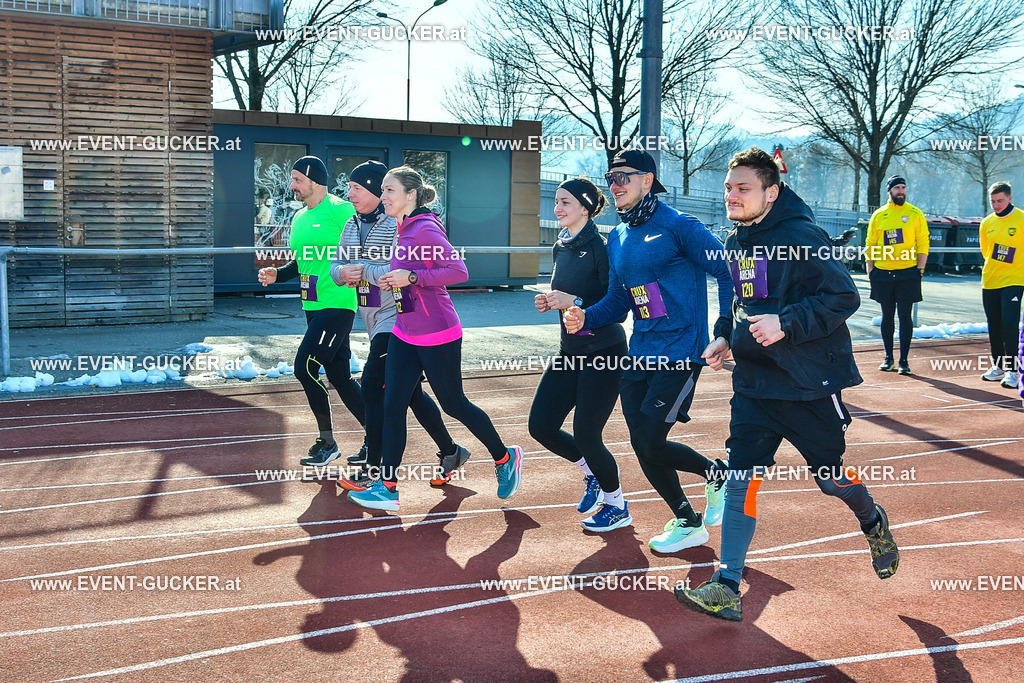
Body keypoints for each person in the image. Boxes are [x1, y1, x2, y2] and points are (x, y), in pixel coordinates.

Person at [675, 147, 899, 622]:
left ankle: (871, 518)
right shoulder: (737, 241)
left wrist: (787, 323)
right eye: (729, 188)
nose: (732, 196)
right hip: (755, 385)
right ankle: (728, 585)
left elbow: (844, 296)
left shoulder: (802, 235)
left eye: (743, 188)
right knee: (740, 482)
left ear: (771, 192)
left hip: (806, 385)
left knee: (829, 479)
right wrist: (725, 338)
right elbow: (743, 298)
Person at [563, 149, 731, 553]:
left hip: (680, 351)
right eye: (611, 177)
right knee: (642, 443)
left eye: (624, 176)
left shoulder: (679, 225)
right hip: (640, 352)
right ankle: (689, 521)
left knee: (653, 441)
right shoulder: (619, 236)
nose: (615, 184)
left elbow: (727, 271)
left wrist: (724, 330)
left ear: (648, 180)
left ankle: (717, 473)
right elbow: (619, 300)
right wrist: (585, 316)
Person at [346, 166, 523, 511]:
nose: (383, 197)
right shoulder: (401, 227)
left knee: (453, 404)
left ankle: (504, 458)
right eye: (382, 191)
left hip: (438, 332)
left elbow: (458, 271)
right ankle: (388, 487)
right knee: (392, 404)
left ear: (410, 194)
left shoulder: (424, 228)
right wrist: (396, 279)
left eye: (389, 190)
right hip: (403, 331)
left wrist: (411, 276)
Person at [330, 160, 470, 490]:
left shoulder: (398, 224)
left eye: (358, 188)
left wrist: (363, 271)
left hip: (398, 319)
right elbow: (337, 264)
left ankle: (375, 466)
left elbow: (397, 274)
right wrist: (342, 274)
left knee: (374, 385)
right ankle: (450, 451)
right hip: (370, 315)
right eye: (350, 188)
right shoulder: (351, 226)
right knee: (409, 396)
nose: (351, 194)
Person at [529, 177, 630, 532]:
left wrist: (576, 302)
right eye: (556, 202)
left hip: (605, 352)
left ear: (585, 208)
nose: (557, 208)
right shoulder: (561, 246)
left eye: (565, 202)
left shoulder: (603, 248)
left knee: (587, 434)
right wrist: (550, 301)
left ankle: (617, 505)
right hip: (569, 351)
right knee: (540, 426)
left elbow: (618, 307)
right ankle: (591, 474)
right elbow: (566, 296)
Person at [257, 155, 366, 466]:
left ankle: (327, 441)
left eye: (297, 179)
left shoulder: (342, 210)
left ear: (315, 180)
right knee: (340, 377)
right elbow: (302, 262)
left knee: (304, 367)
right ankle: (376, 436)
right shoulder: (300, 218)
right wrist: (278, 273)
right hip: (312, 306)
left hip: (338, 303)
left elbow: (371, 241)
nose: (292, 185)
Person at [865, 175, 929, 375]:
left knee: (905, 317)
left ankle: (904, 360)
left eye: (903, 187)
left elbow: (923, 242)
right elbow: (871, 243)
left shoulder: (915, 213)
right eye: (897, 188)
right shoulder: (879, 215)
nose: (901, 191)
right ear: (889, 191)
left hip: (908, 273)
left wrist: (920, 269)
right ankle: (888, 358)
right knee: (887, 316)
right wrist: (871, 269)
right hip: (883, 273)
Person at [978, 182, 1024, 390]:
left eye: (1000, 201)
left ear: (1010, 198)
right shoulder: (986, 223)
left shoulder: (1021, 219)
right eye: (993, 202)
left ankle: (1012, 371)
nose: (996, 205)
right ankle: (998, 366)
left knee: (1009, 324)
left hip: (1014, 280)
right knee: (994, 324)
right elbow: (986, 251)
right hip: (990, 281)